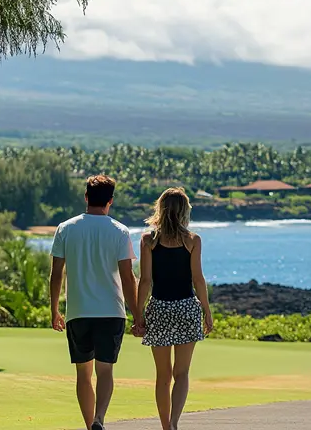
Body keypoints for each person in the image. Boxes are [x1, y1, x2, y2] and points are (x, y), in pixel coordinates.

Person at [49, 175, 139, 430]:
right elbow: (127, 277)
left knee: (83, 374)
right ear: (110, 201)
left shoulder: (66, 228)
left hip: (78, 312)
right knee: (105, 371)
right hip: (111, 311)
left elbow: (57, 274)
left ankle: (90, 426)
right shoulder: (120, 231)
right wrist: (137, 315)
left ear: (86, 198)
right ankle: (100, 418)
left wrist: (55, 310)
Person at [135, 187, 213, 430]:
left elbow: (145, 281)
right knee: (182, 373)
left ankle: (165, 427)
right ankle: (175, 423)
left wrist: (138, 315)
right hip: (187, 309)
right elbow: (198, 280)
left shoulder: (148, 240)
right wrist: (207, 312)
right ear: (184, 212)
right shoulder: (192, 240)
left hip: (158, 308)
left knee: (163, 375)